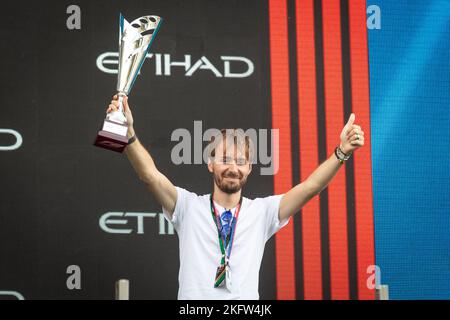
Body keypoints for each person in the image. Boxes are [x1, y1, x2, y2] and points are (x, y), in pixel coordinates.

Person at [106, 94, 365, 300]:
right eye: (225, 159)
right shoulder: (187, 206)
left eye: (241, 161)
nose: (233, 167)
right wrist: (128, 134)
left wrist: (342, 152)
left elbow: (311, 187)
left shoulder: (263, 212)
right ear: (210, 164)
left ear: (250, 168)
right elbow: (150, 176)